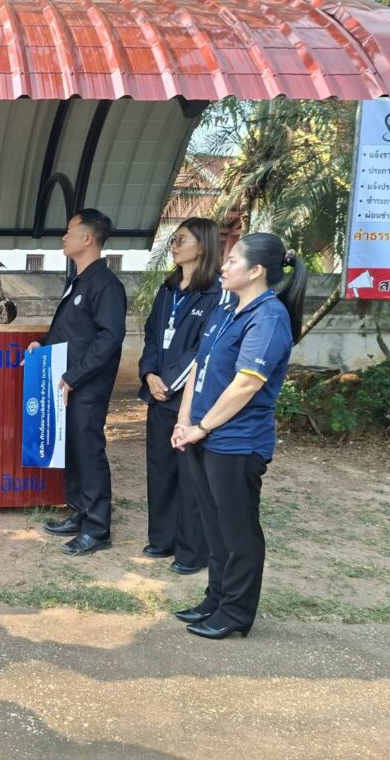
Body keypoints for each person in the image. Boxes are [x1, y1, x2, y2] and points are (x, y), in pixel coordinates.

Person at [171, 233, 307, 639]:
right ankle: (215, 599)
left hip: (237, 442)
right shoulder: (228, 309)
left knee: (238, 532)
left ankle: (234, 613)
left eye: (233, 260)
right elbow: (199, 367)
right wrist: (184, 422)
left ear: (256, 270)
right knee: (214, 528)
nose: (224, 266)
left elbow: (246, 384)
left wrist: (202, 427)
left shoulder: (268, 317)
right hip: (204, 435)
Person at [30, 209, 127, 556]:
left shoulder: (105, 284)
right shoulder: (79, 281)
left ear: (87, 238)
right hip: (66, 384)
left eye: (69, 231)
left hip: (86, 386)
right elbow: (71, 331)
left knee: (88, 451)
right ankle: (80, 512)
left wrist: (75, 376)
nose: (64, 237)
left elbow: (110, 338)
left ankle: (98, 528)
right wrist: (43, 344)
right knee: (71, 448)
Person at [138, 218, 228, 574]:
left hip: (188, 399)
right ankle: (163, 539)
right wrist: (149, 374)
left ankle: (192, 551)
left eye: (181, 240)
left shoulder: (216, 293)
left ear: (202, 246)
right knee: (160, 469)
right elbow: (150, 334)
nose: (174, 246)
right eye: (173, 240)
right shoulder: (168, 288)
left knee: (190, 477)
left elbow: (206, 348)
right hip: (158, 393)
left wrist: (169, 382)